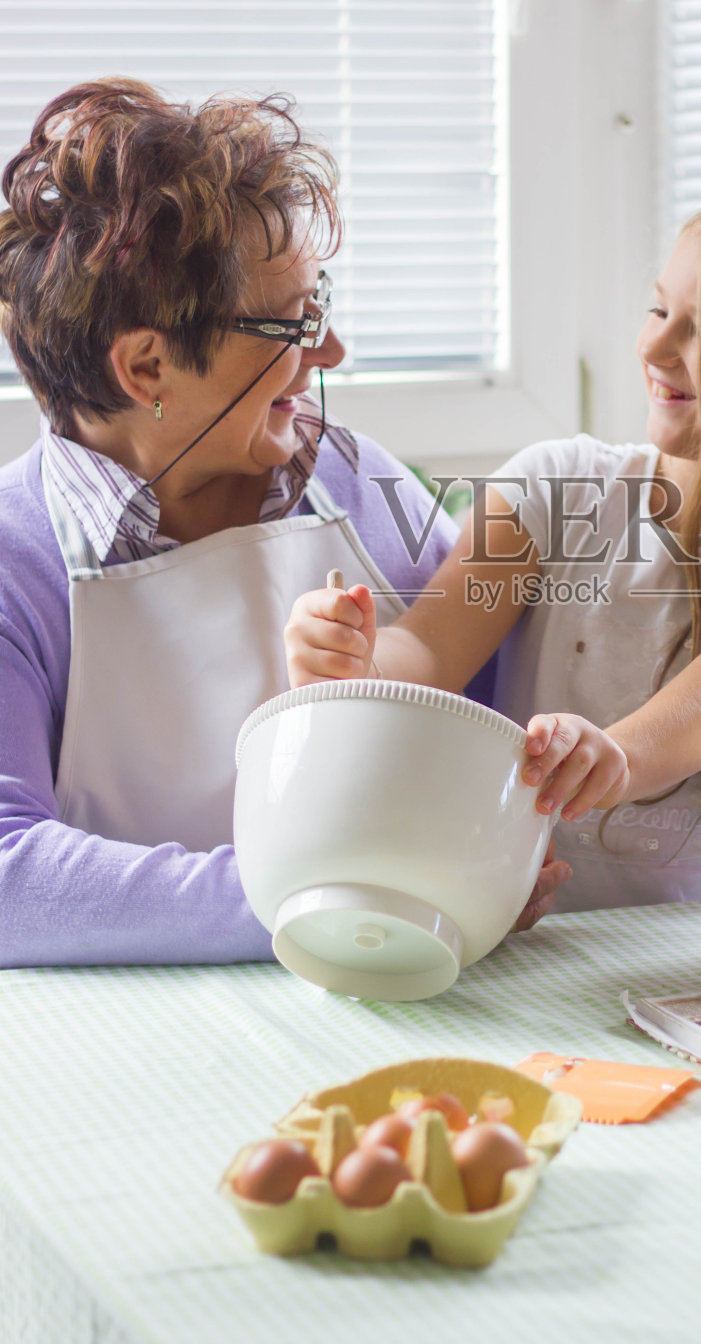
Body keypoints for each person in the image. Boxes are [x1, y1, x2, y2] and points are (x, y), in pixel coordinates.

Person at [0, 78, 564, 967]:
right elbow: (12, 881)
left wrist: (490, 856)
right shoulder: (16, 562)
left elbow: (497, 716)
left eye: (319, 304)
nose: (329, 350)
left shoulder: (360, 483)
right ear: (147, 368)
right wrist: (329, 899)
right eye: (291, 325)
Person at [286, 188, 701, 910]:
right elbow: (429, 649)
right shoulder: (552, 485)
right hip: (535, 930)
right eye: (658, 311)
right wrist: (356, 660)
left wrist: (619, 756)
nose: (652, 348)